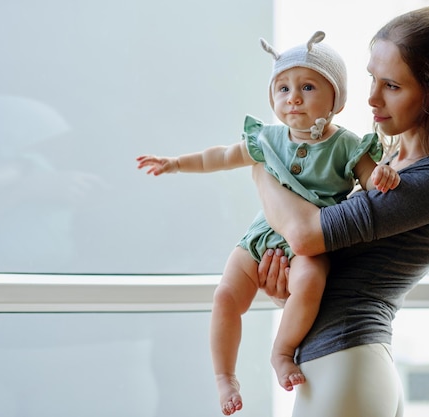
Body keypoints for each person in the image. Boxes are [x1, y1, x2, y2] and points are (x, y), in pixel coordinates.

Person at [252, 6, 429, 417]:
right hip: (341, 366)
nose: (370, 98)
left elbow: (303, 232)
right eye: (372, 77)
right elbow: (338, 266)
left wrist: (259, 161)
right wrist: (293, 293)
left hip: (348, 365)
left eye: (391, 85)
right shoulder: (387, 160)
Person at [137, 32, 400, 415]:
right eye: (282, 88)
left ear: (336, 98)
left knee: (309, 283)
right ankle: (225, 377)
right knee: (226, 296)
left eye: (307, 87)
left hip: (308, 243)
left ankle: (281, 351)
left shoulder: (345, 144)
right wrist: (176, 163)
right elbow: (221, 156)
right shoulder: (268, 138)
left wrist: (382, 176)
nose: (292, 97)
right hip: (261, 236)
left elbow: (369, 177)